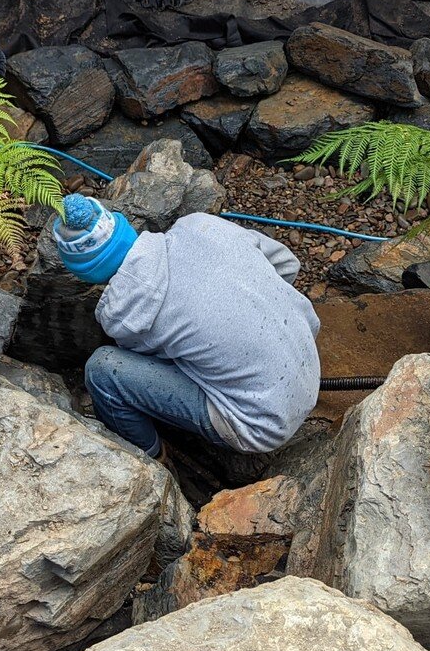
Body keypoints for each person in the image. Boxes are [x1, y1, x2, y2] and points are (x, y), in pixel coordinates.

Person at [53, 194, 321, 460]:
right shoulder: (201, 225)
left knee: (103, 371)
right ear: (121, 227)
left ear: (83, 271)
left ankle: (151, 459)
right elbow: (287, 264)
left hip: (260, 424)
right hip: (308, 361)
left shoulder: (123, 314)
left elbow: (150, 366)